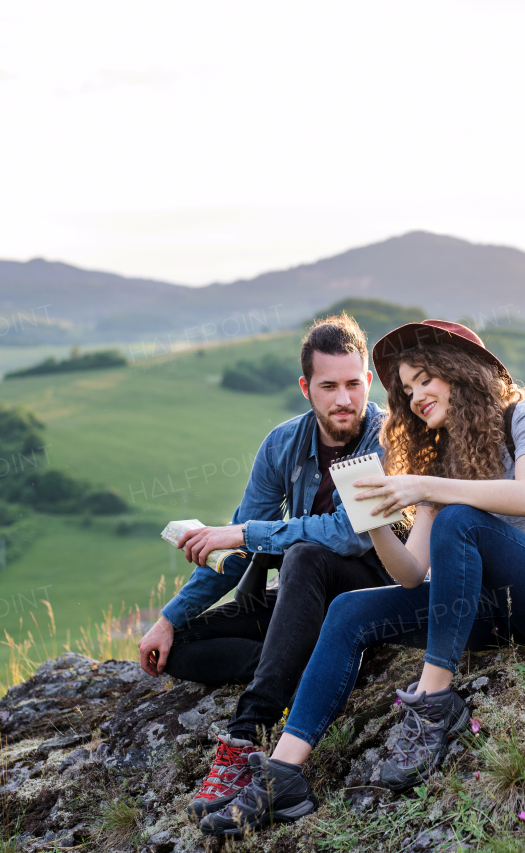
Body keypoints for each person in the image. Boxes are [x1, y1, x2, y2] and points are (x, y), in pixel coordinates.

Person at [200, 320, 525, 837]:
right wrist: (374, 523)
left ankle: (432, 705)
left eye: (425, 379)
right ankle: (283, 775)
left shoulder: (523, 417)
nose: (416, 395)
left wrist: (424, 486)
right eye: (407, 388)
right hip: (499, 609)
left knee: (462, 520)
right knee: (349, 609)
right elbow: (413, 571)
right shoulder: (439, 460)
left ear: (461, 374)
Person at [136, 314, 393, 820]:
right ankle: (300, 670)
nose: (344, 399)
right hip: (304, 598)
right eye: (329, 386)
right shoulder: (282, 444)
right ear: (306, 388)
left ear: (368, 381)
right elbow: (232, 555)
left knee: (304, 552)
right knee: (180, 646)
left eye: (353, 384)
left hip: (370, 592)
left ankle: (245, 733)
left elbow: (347, 533)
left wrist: (245, 534)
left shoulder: (388, 438)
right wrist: (168, 618)